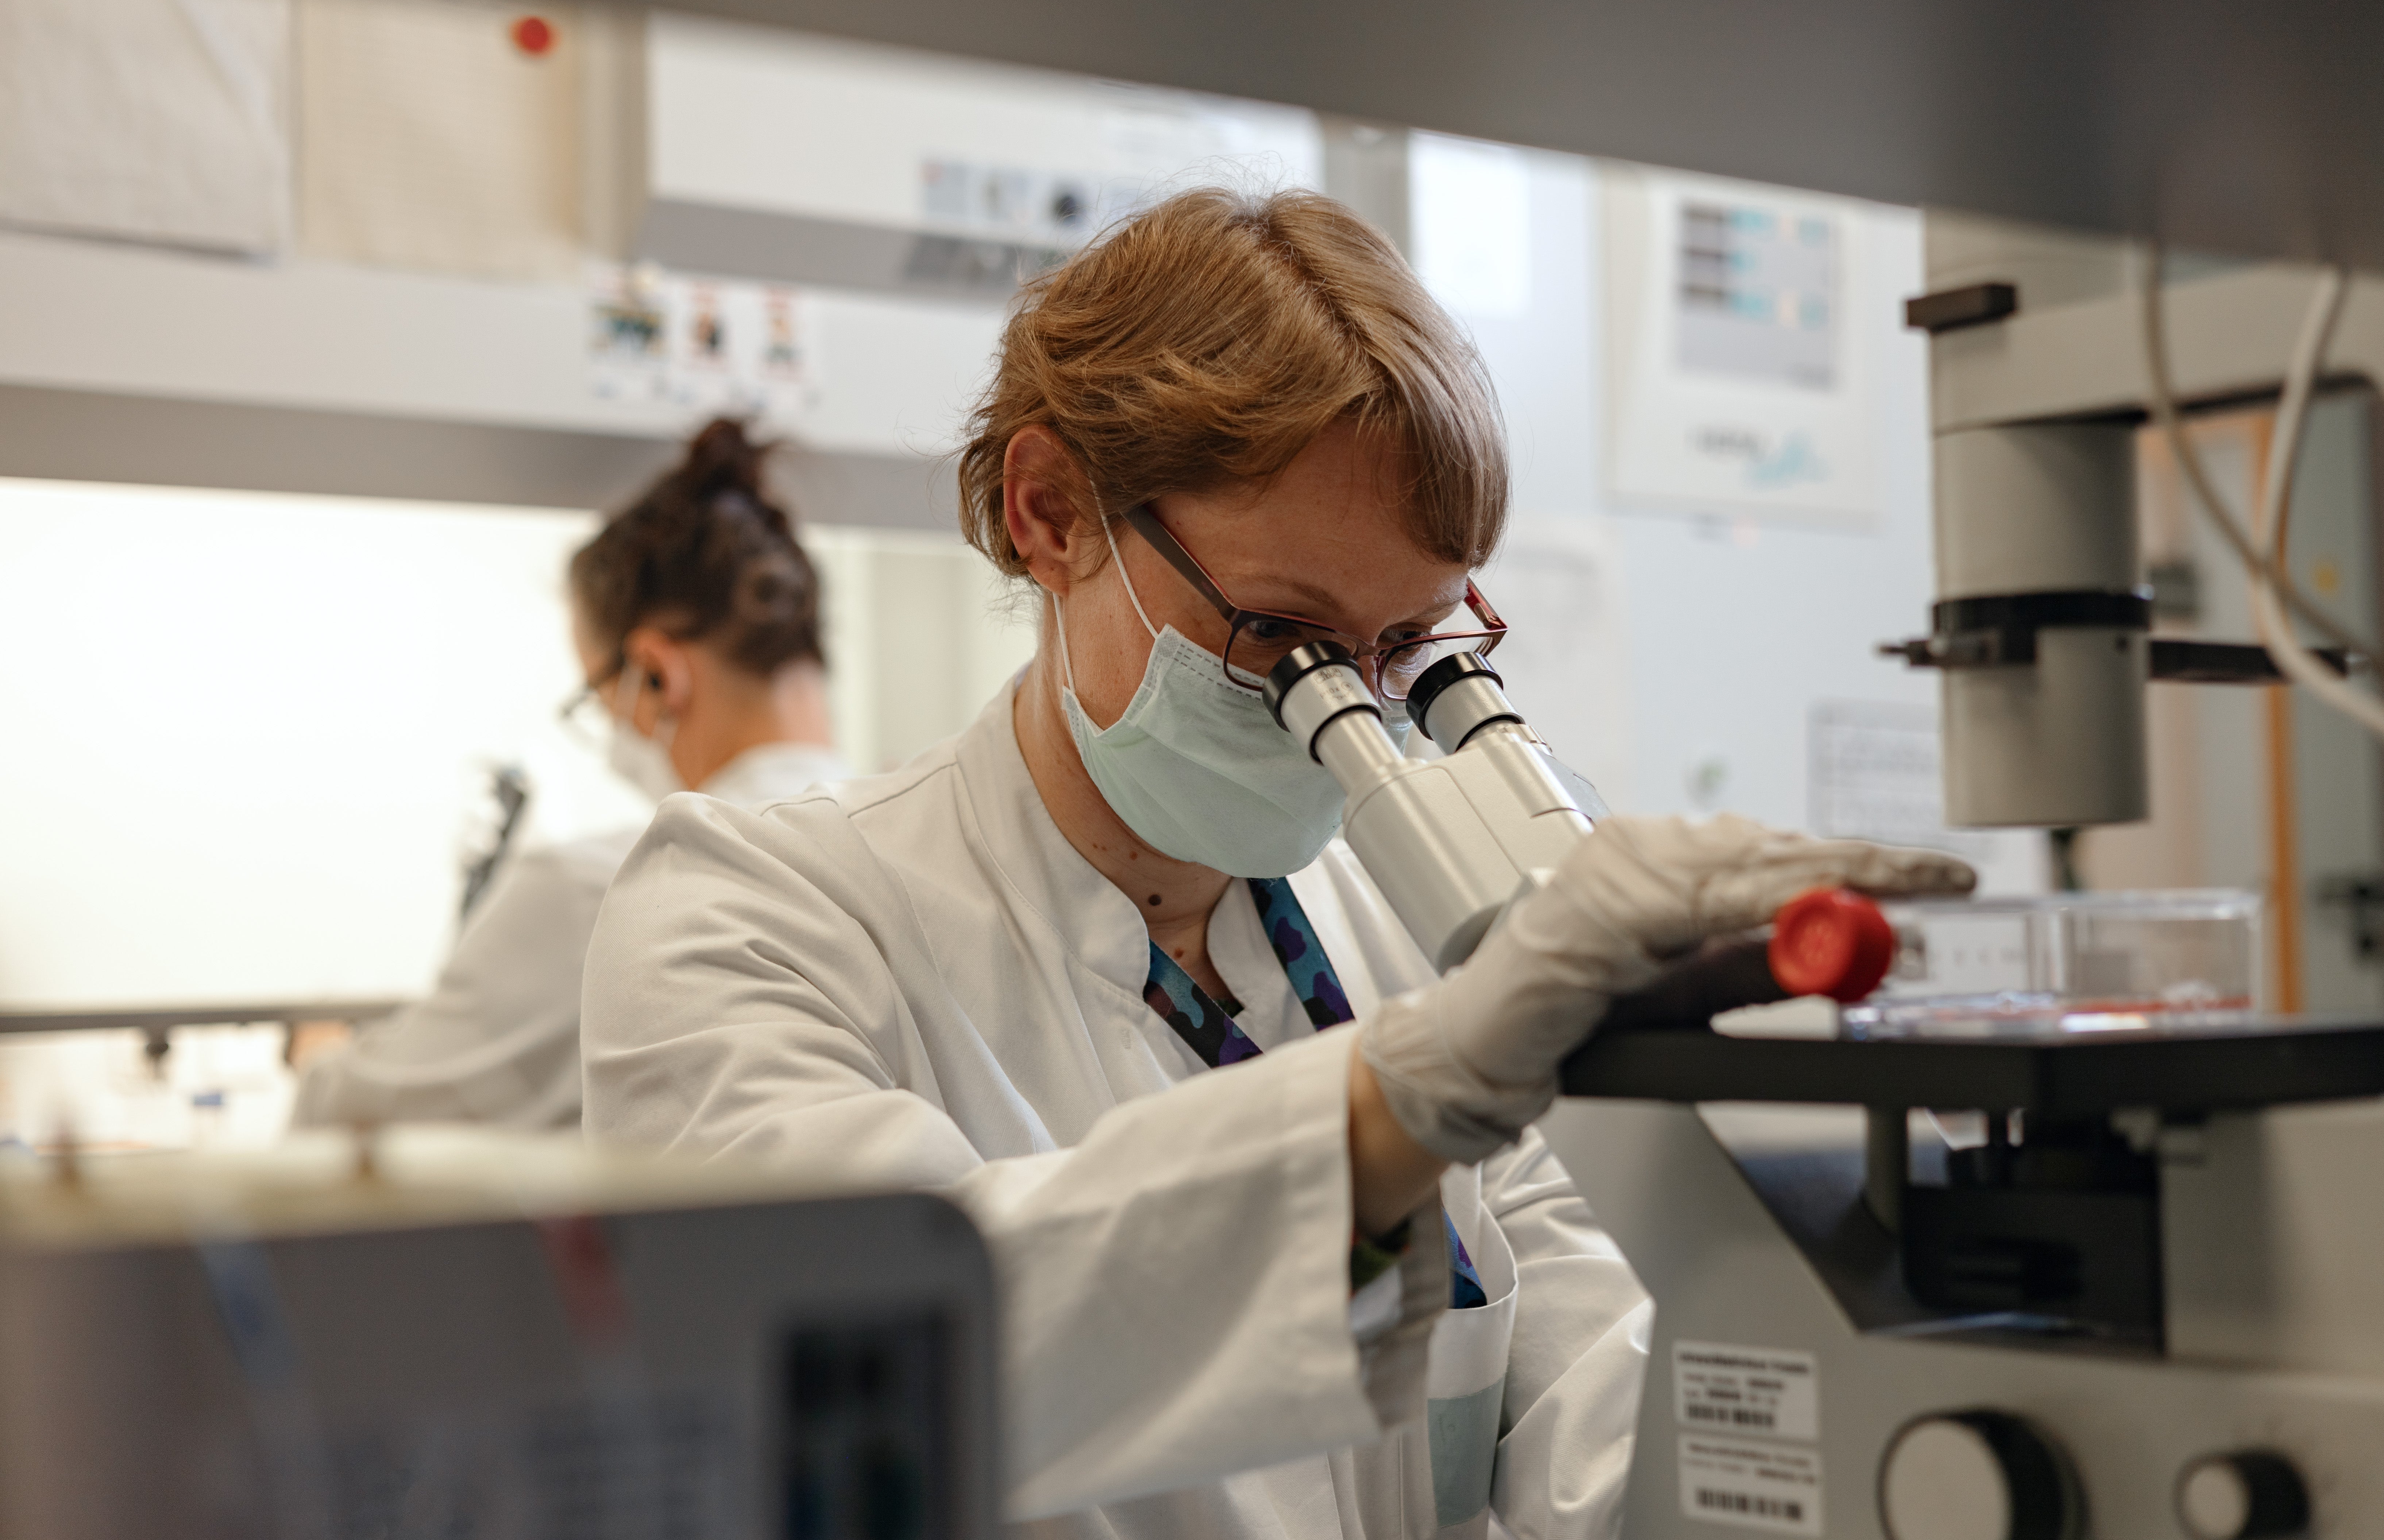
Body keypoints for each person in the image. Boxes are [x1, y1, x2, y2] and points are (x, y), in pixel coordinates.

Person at [581, 190, 1970, 1536]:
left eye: (1406, 651)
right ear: (1052, 510)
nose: (1345, 716)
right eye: (1283, 644)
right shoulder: (747, 915)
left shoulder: (1416, 925)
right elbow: (890, 1351)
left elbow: (1605, 1411)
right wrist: (1400, 1102)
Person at [292, 418, 846, 1130]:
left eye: (598, 696)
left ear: (656, 674)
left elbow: (366, 1120)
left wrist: (316, 1057)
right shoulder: (914, 849)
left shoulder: (610, 887)